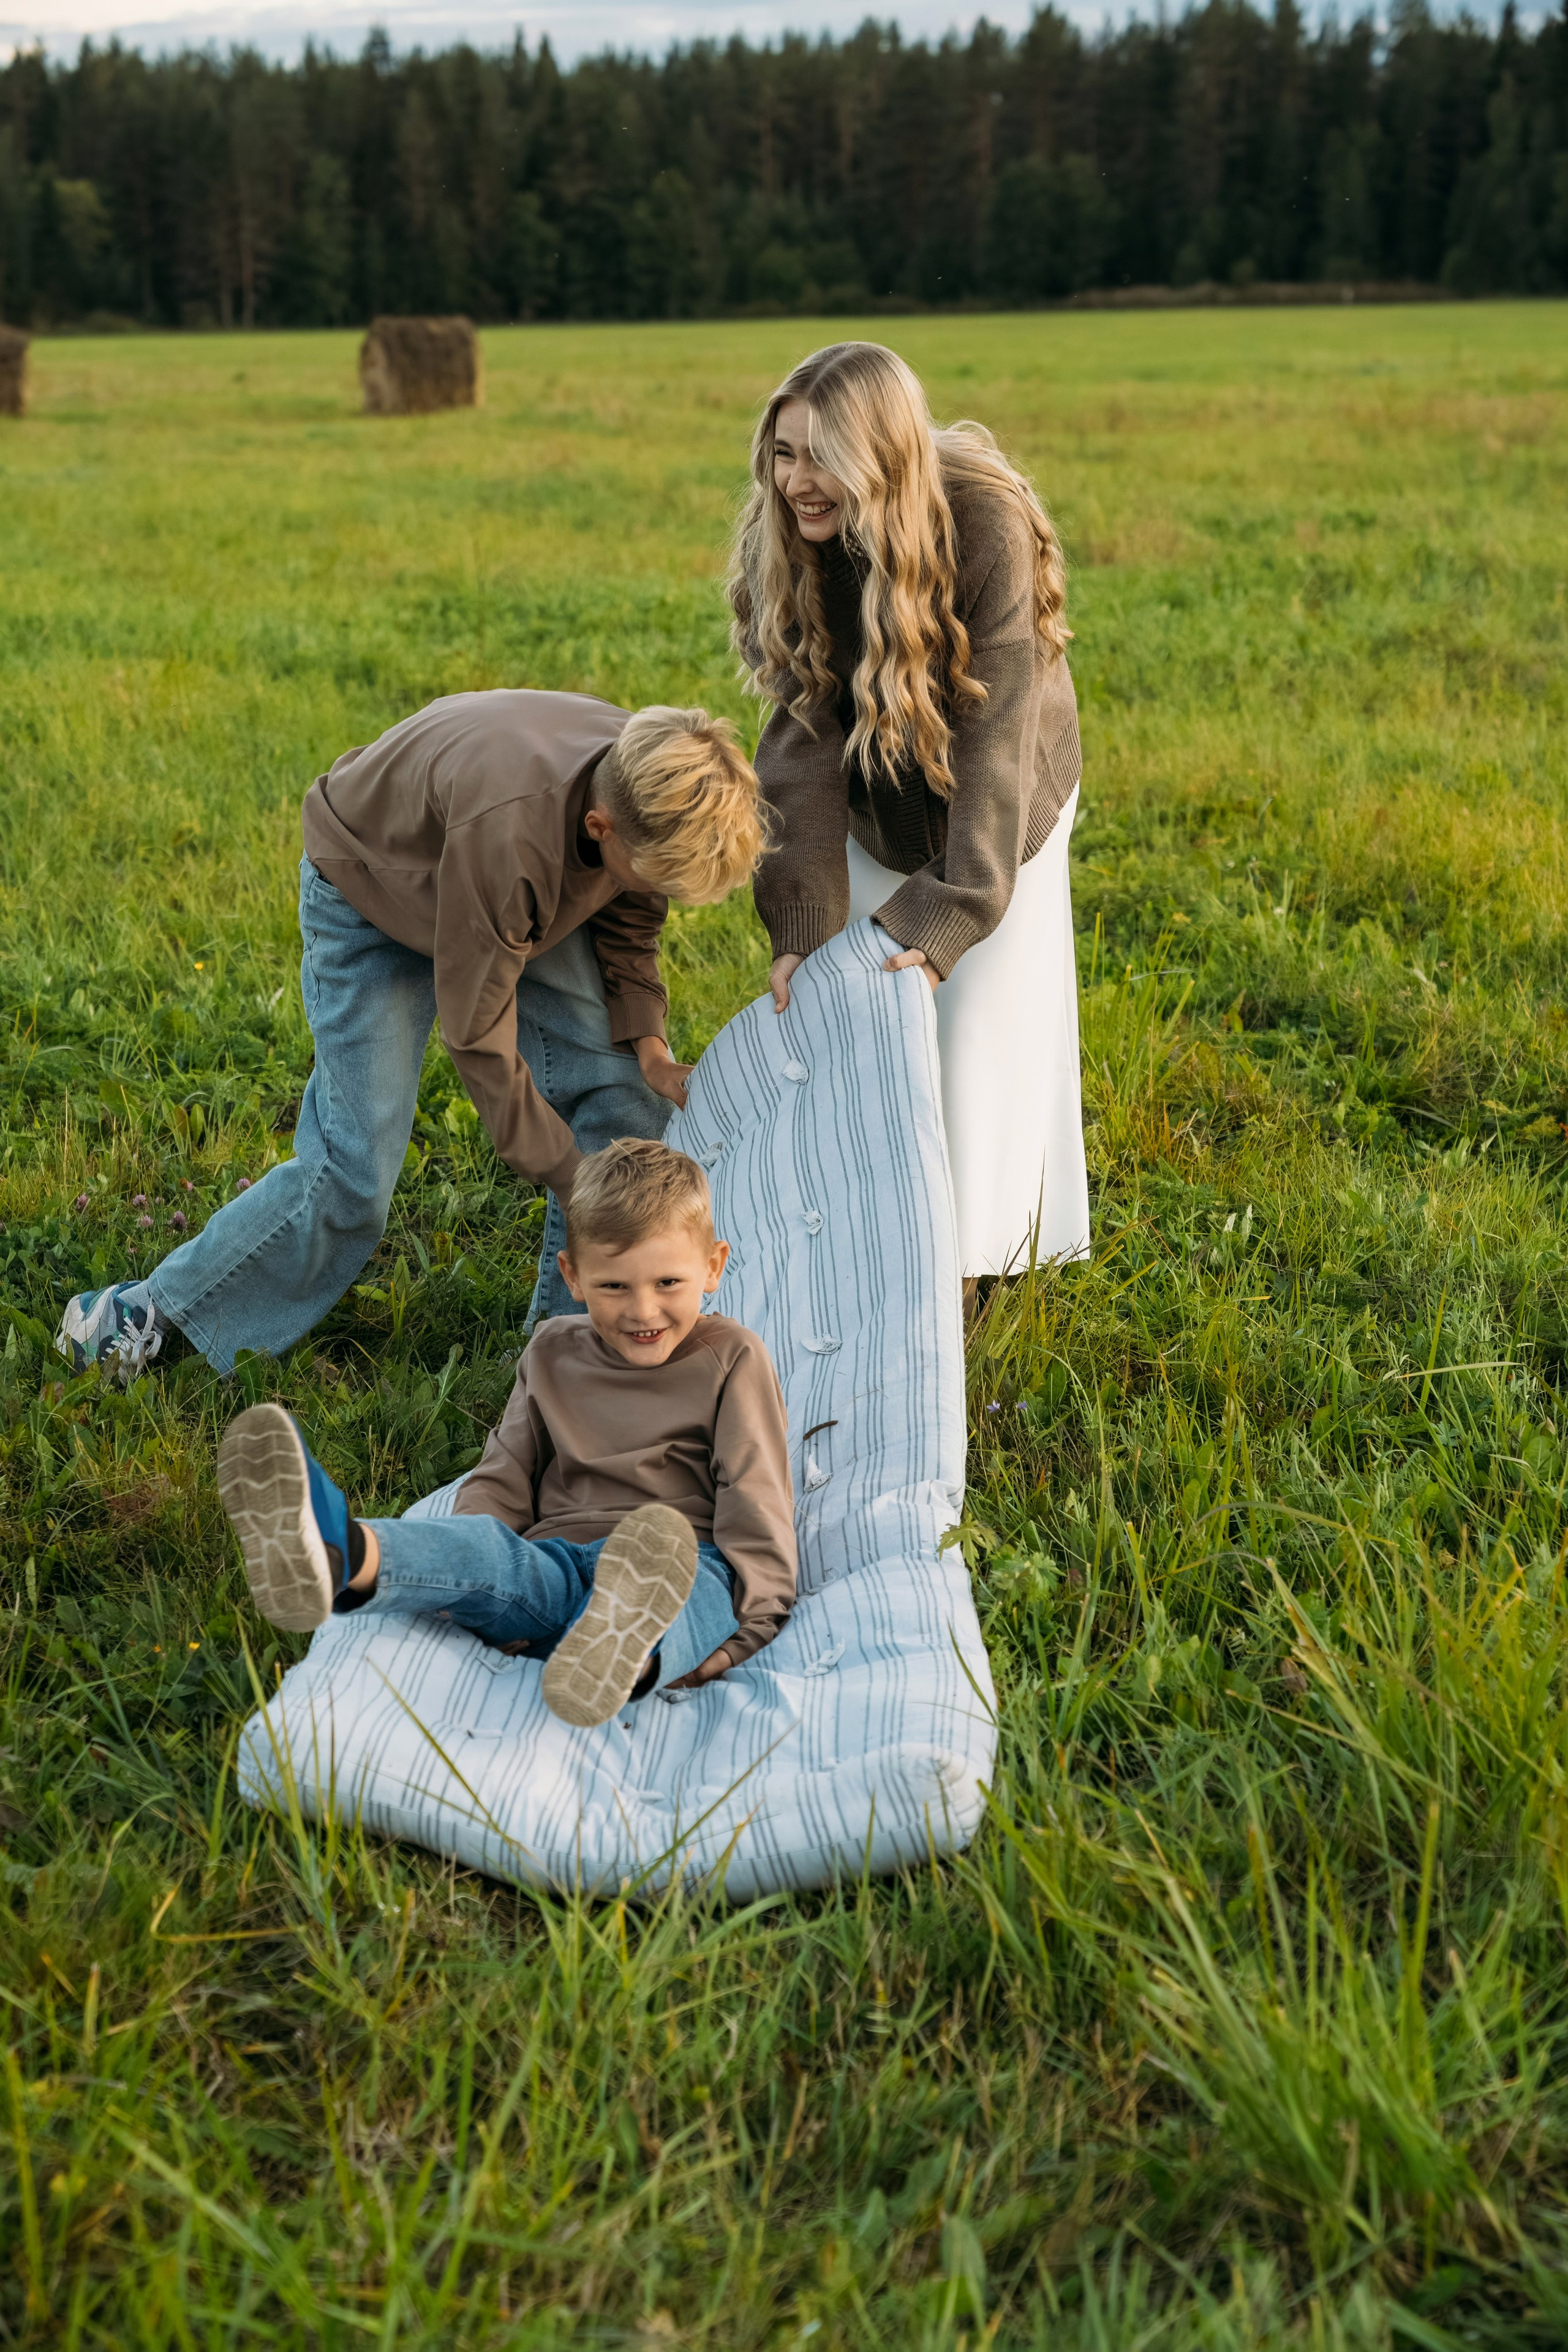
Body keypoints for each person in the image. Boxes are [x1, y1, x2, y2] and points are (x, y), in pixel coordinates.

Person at [55, 692, 767, 1379]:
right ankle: (145, 1312)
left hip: (495, 889)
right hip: (372, 889)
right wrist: (579, 1182)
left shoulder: (653, 780)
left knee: (621, 1099)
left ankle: (575, 1357)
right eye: (656, 878)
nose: (661, 894)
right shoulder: (513, 835)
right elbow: (478, 1034)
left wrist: (649, 1051)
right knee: (353, 1170)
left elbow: (630, 917)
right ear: (601, 828)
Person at [215, 1138, 796, 1728]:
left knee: (692, 1597)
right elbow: (503, 1476)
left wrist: (756, 1623)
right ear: (571, 1275)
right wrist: (471, 1561)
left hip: (678, 1559)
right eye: (615, 1287)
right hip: (556, 1558)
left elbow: (755, 1493)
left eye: (668, 1283)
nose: (643, 1311)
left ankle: (623, 1664)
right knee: (492, 1552)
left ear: (713, 1267)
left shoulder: (732, 1356)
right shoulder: (551, 1351)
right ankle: (337, 1554)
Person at [729, 341, 1090, 1290]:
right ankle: (881, 1243)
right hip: (878, 789)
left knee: (977, 1040)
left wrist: (955, 913)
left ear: (881, 455)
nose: (798, 481)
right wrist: (802, 921)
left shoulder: (984, 528)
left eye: (822, 456)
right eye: (784, 453)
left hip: (998, 802)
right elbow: (802, 736)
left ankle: (971, 1278)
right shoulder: (794, 537)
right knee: (877, 1032)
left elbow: (996, 741)